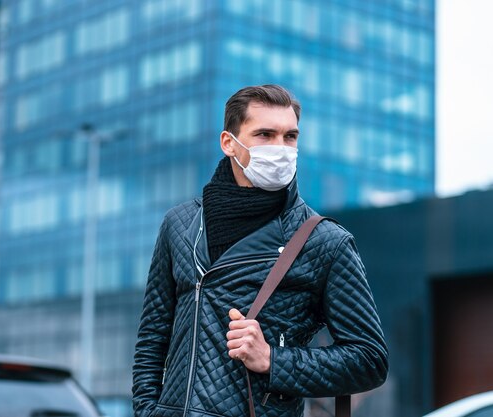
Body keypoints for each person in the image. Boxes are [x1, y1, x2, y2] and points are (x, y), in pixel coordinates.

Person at [132, 85, 388, 417]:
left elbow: (369, 360)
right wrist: (147, 411)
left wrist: (273, 360)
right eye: (265, 134)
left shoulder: (326, 242)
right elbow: (152, 340)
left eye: (290, 137)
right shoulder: (179, 225)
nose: (280, 149)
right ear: (229, 143)